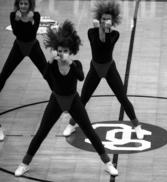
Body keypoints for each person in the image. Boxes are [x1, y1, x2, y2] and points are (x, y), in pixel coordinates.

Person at [14, 20, 118, 177]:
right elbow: (45, 75)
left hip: (73, 101)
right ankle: (24, 164)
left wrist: (71, 64)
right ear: (56, 51)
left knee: (89, 131)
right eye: (60, 50)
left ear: (71, 51)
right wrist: (49, 62)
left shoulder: (76, 64)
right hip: (56, 101)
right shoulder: (53, 65)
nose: (62, 53)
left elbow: (81, 77)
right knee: (41, 133)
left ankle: (108, 163)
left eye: (65, 51)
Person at [62, 0, 143, 139]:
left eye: (108, 19)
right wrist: (99, 29)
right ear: (99, 20)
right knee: (83, 99)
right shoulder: (90, 32)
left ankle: (137, 126)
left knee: (123, 98)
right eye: (103, 19)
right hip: (95, 68)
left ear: (113, 21)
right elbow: (98, 44)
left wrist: (102, 30)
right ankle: (71, 124)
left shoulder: (115, 35)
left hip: (109, 68)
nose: (106, 21)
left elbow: (105, 44)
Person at [0, 0, 50, 141]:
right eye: (21, 3)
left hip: (33, 47)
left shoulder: (36, 15)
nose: (23, 6)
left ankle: (60, 100)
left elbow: (31, 32)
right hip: (19, 47)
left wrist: (28, 21)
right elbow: (17, 33)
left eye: (25, 4)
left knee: (46, 74)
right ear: (18, 4)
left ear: (30, 5)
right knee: (3, 76)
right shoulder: (12, 15)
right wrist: (17, 20)